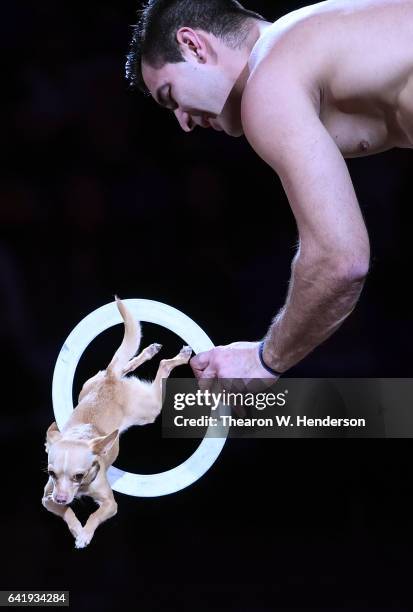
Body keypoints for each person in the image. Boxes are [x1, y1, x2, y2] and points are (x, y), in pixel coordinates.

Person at [125, 0, 413, 381]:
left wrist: (265, 359)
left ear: (193, 45)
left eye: (170, 96)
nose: (183, 123)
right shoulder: (306, 42)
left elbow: (340, 261)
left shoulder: (269, 81)